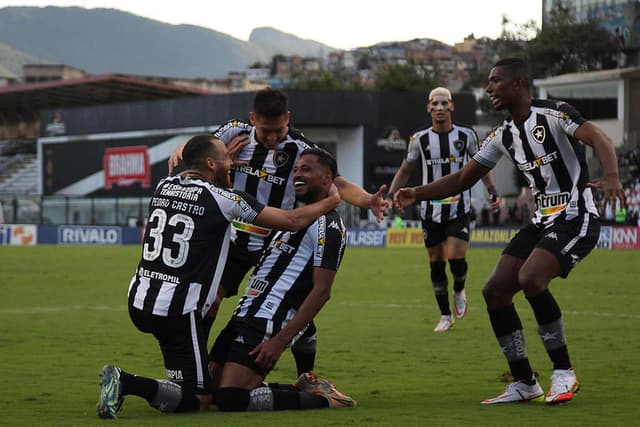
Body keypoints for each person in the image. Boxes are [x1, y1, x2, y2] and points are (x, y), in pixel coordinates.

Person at [394, 58, 625, 404]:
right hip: (542, 219)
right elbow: (460, 179)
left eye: (495, 81)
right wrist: (416, 192)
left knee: (532, 278)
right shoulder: (502, 135)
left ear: (517, 83)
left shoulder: (555, 114)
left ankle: (563, 373)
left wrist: (612, 176)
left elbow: (599, 138)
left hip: (577, 215)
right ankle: (524, 382)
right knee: (495, 291)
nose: (489, 88)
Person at [96, 135, 340, 419]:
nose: (232, 164)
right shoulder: (225, 199)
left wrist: (220, 167)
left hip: (139, 300)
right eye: (227, 158)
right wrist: (331, 201)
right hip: (176, 309)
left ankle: (173, 380)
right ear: (211, 163)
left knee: (200, 382)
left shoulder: (163, 186)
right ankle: (125, 381)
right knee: (200, 398)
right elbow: (292, 221)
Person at [168, 88, 389, 377]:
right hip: (235, 239)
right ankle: (197, 366)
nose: (272, 138)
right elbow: (203, 150)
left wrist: (368, 200)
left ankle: (305, 376)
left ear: (288, 118)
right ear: (252, 119)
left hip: (276, 241)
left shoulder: (300, 147)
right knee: (212, 299)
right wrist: (181, 150)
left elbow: (338, 183)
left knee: (290, 307)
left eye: (279, 130)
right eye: (266, 131)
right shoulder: (235, 132)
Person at [210, 147, 356, 411]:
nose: (298, 174)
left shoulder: (329, 226)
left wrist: (281, 340)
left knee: (230, 398)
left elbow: (322, 291)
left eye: (307, 169)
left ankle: (324, 401)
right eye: (297, 169)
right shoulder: (291, 219)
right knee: (209, 392)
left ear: (327, 179)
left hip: (268, 321)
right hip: (243, 316)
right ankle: (302, 387)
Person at [387, 87, 500, 332]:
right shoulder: (419, 139)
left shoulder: (467, 135)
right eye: (435, 103)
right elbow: (406, 169)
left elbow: (481, 165)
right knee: (436, 262)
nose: (440, 108)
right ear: (428, 108)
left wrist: (492, 190)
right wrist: (390, 194)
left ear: (452, 106)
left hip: (458, 206)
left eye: (444, 103)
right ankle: (445, 316)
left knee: (456, 257)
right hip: (429, 210)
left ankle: (459, 289)